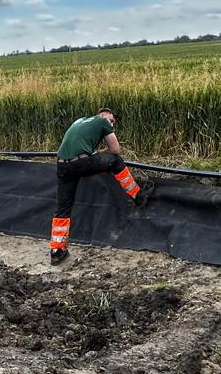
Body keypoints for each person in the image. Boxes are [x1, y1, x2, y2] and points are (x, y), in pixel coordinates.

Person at [49, 108, 151, 265]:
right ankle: (137, 195)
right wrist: (104, 153)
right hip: (81, 163)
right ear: (102, 115)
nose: (111, 124)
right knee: (116, 161)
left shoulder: (79, 120)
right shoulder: (102, 121)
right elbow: (115, 150)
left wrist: (96, 154)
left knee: (63, 207)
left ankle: (57, 250)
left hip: (62, 165)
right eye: (111, 120)